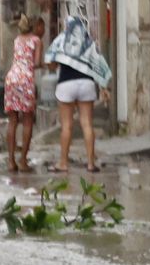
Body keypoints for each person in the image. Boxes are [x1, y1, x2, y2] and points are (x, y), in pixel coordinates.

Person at [43, 12, 112, 173]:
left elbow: (51, 64)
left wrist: (60, 63)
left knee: (66, 126)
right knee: (87, 124)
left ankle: (63, 163)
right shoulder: (89, 43)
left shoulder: (61, 40)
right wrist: (103, 86)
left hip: (66, 85)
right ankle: (90, 163)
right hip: (87, 84)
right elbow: (98, 65)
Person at [3, 13, 45, 172]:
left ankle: (11, 161)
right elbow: (36, 63)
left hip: (11, 78)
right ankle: (23, 161)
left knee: (12, 121)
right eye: (42, 26)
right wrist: (45, 64)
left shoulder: (17, 39)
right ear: (36, 27)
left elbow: (19, 58)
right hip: (26, 80)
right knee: (27, 120)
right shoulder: (36, 40)